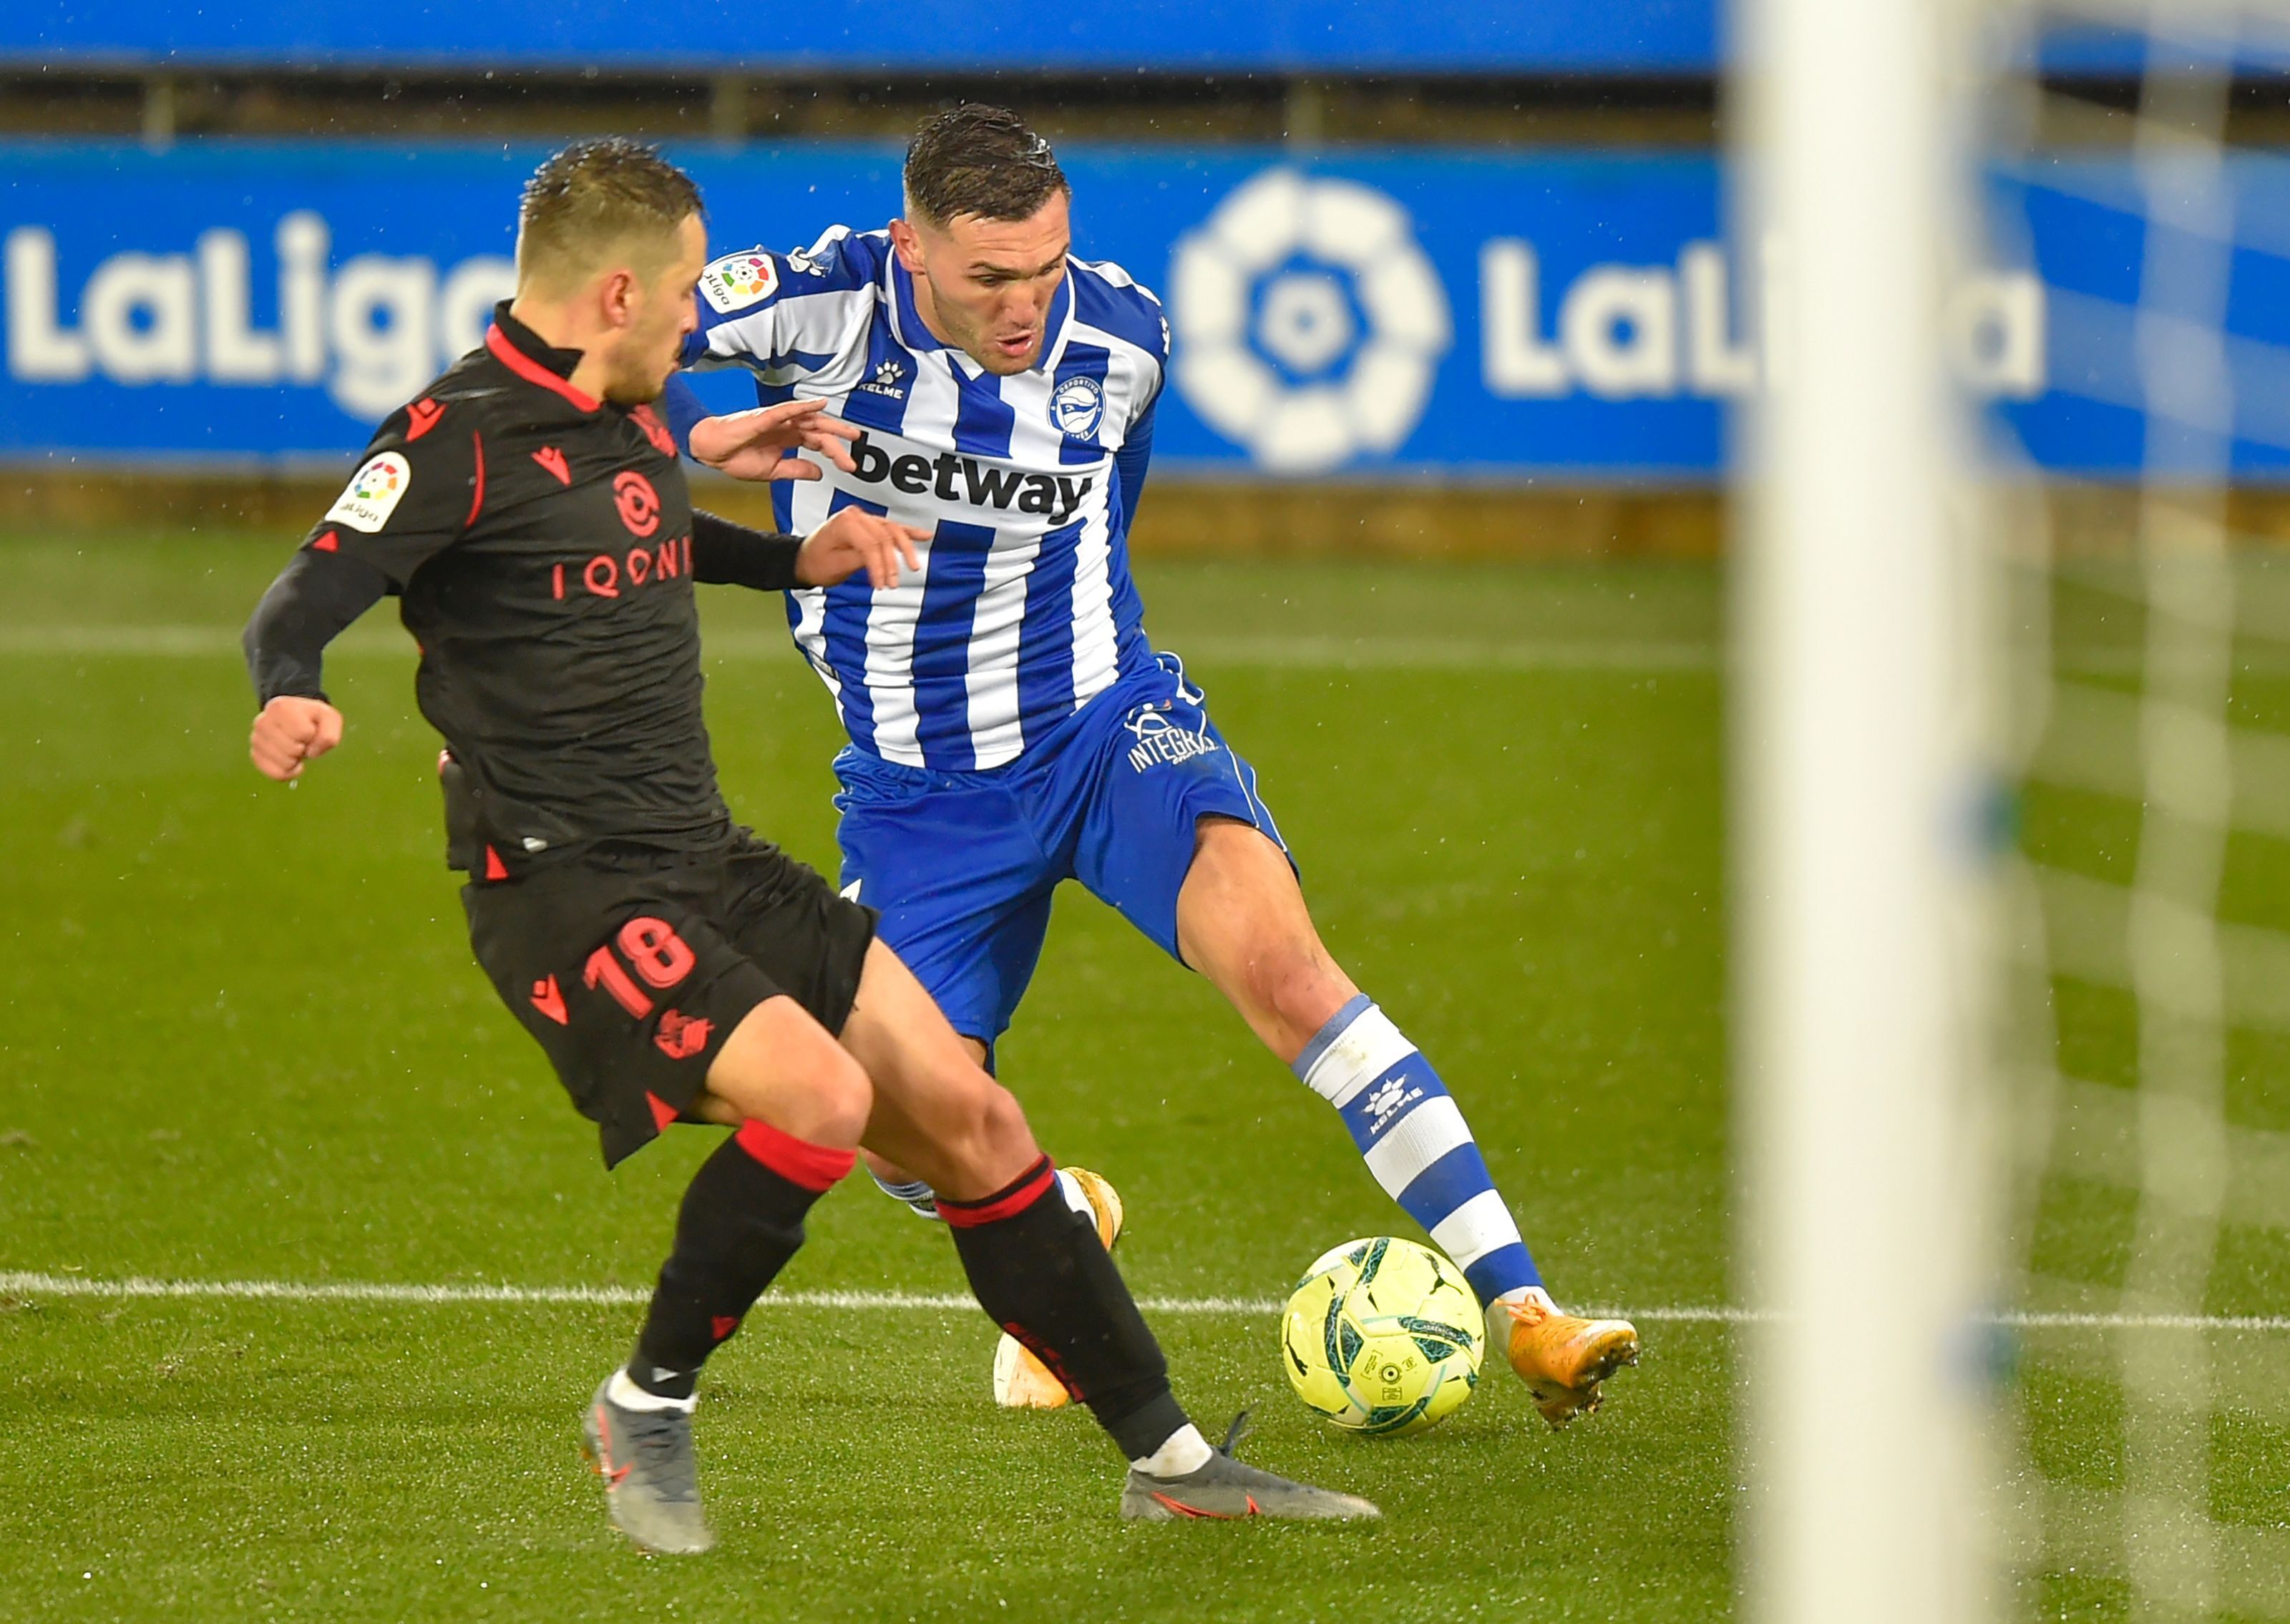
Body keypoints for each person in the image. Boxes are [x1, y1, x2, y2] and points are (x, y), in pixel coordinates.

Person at [240, 137, 1378, 1552]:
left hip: (704, 851)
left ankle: (1172, 1457)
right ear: (609, 295)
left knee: (973, 1119)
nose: (691, 328)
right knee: (826, 1099)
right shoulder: (448, 439)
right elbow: (298, 598)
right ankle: (645, 1402)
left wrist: (795, 554)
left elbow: (651, 520)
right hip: (565, 885)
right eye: (672, 304)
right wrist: (290, 691)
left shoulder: (622, 411)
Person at [663, 105, 1639, 1427]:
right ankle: (1062, 1216)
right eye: (987, 277)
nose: (1023, 306)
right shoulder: (817, 307)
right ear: (912, 248)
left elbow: (1109, 520)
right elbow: (570, 351)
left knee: (1288, 969)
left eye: (1045, 268)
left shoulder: (1124, 338)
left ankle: (1526, 1309)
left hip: (1108, 729)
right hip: (917, 796)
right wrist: (684, 438)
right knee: (891, 1120)